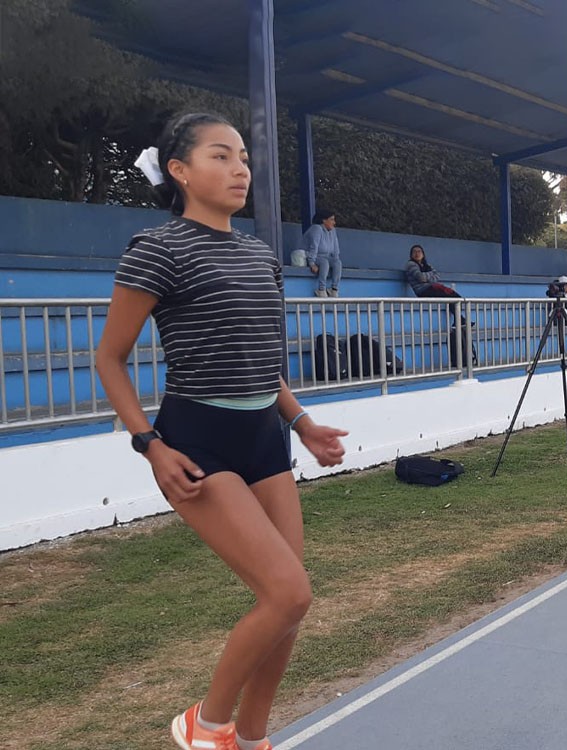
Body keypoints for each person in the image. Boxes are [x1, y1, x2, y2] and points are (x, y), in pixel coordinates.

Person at [97, 112, 350, 750]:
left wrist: (303, 422)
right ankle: (205, 725)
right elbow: (110, 358)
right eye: (220, 156)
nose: (240, 169)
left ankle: (254, 737)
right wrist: (148, 445)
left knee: (289, 609)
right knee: (287, 591)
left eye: (243, 157)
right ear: (179, 171)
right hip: (195, 440)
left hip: (266, 436)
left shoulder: (259, 254)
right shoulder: (156, 249)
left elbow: (266, 363)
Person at [301, 208, 342, 297]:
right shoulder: (316, 228)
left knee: (337, 262)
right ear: (324, 220)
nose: (334, 223)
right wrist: (312, 263)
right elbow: (313, 247)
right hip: (312, 256)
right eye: (331, 220)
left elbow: (336, 249)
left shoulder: (333, 231)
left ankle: (334, 289)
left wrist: (335, 260)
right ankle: (321, 289)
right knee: (324, 263)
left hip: (326, 256)